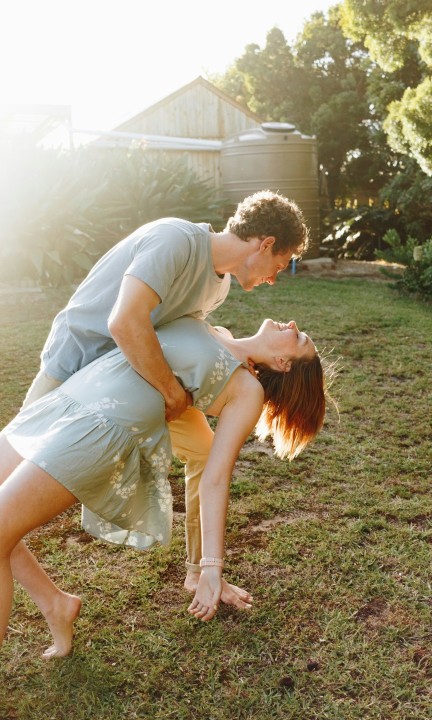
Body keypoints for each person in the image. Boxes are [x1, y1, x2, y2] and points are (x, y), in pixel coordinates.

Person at [21, 190, 309, 606]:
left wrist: (227, 361)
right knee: (8, 484)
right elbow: (124, 322)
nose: (273, 278)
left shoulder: (219, 287)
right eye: (278, 265)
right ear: (265, 245)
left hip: (134, 380)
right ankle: (53, 601)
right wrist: (173, 392)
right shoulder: (175, 239)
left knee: (207, 454)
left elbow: (179, 339)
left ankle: (199, 572)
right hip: (76, 364)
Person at [0, 315, 328, 658]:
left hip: (98, 426)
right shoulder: (221, 332)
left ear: (282, 363)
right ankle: (55, 603)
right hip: (71, 398)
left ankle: (55, 606)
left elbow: (215, 477)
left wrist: (210, 568)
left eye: (300, 337)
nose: (292, 324)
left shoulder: (247, 390)